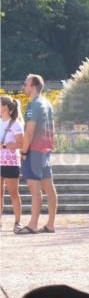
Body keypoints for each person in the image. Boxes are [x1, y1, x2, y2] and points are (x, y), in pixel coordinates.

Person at [17, 74, 57, 234]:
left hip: (34, 151)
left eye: (25, 83)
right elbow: (53, 128)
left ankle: (32, 225)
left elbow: (29, 131)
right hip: (45, 151)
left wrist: (24, 151)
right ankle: (50, 224)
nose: (23, 86)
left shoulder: (33, 105)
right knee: (49, 187)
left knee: (35, 189)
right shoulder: (47, 103)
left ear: (33, 86)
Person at [1, 96, 24, 232]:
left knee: (13, 193)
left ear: (5, 107)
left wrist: (4, 146)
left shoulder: (15, 124)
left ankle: (17, 222)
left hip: (11, 162)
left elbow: (21, 143)